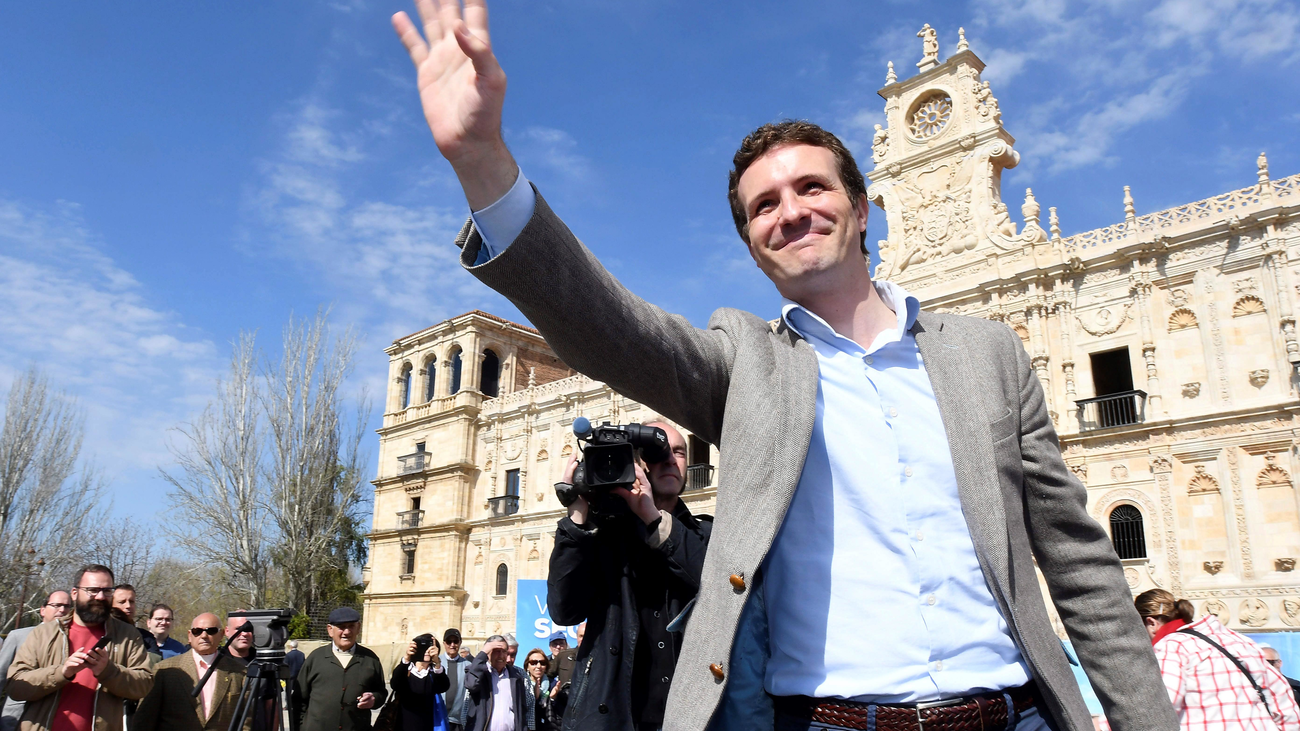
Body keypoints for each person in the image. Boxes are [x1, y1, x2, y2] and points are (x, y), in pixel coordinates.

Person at [390, 3, 1179, 729]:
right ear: (750, 243)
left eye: (811, 186)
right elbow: (610, 329)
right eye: (764, 204)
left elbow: (1082, 568)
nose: (792, 209)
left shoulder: (989, 355)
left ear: (864, 207)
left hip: (1013, 715)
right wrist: (485, 164)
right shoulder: (748, 365)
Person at [547, 420, 711, 731]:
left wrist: (652, 517)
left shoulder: (705, 534)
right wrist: (578, 515)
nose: (668, 459)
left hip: (690, 717)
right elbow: (564, 610)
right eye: (655, 451)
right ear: (633, 462)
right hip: (612, 716)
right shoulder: (600, 537)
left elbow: (716, 584)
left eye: (678, 451)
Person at [6, 564, 153, 731]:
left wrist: (108, 671)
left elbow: (144, 685)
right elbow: (16, 686)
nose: (100, 597)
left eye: (107, 591)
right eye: (92, 590)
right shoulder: (44, 633)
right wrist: (62, 673)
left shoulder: (128, 635)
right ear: (74, 594)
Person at [1136, 589, 1300, 730]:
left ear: (1151, 623)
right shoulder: (1239, 640)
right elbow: (1284, 706)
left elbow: (1158, 710)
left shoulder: (1171, 646)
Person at [131, 613, 251, 731]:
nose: (204, 635)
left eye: (211, 631)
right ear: (189, 635)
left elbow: (247, 721)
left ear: (221, 634)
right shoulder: (164, 670)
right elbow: (145, 718)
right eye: (197, 631)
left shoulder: (239, 672)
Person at [292, 607, 387, 731]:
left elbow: (381, 693)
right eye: (341, 627)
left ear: (358, 627)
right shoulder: (316, 658)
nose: (347, 632)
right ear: (330, 630)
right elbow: (298, 699)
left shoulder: (370, 659)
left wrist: (374, 699)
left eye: (351, 626)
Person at [0, 591, 72, 731]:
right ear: (43, 610)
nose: (62, 610)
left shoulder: (71, 640)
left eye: (67, 606)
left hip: (54, 717)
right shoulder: (18, 636)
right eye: (56, 605)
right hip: (16, 717)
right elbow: (1, 675)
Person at [459, 635, 531, 731]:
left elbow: (521, 710)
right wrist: (482, 653)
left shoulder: (516, 676)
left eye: (504, 651)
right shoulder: (479, 673)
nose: (501, 656)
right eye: (497, 651)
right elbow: (471, 684)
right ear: (488, 652)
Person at [391, 634, 451, 731]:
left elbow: (443, 687)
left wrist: (437, 663)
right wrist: (406, 658)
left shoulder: (434, 674)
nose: (427, 651)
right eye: (423, 648)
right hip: (403, 724)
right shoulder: (406, 671)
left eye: (430, 648)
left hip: (427, 725)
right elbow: (395, 684)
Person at [443, 628, 469, 731]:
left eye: (455, 641)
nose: (452, 645)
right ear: (444, 643)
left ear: (460, 643)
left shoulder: (468, 666)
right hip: (437, 719)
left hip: (457, 723)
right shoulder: (436, 663)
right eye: (449, 642)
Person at [522, 649, 552, 731]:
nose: (538, 666)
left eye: (542, 663)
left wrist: (552, 698)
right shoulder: (521, 683)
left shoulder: (553, 685)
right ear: (527, 666)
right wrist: (535, 697)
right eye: (533, 663)